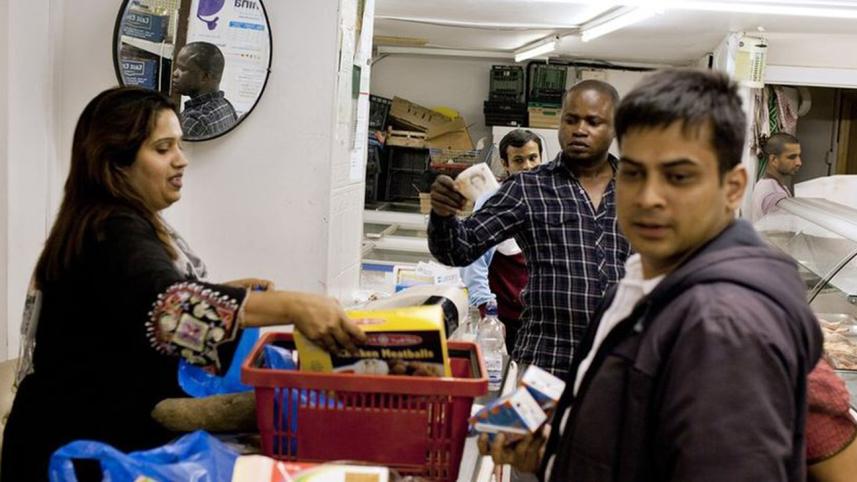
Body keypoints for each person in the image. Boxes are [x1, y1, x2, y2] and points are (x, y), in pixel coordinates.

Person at [1, 87, 364, 481]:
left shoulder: (108, 221)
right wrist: (297, 307)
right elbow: (167, 308)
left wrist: (221, 291)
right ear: (114, 162)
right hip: (78, 453)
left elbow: (131, 304)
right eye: (163, 149)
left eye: (179, 145)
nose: (181, 160)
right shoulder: (110, 229)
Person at [482, 69, 823, 482]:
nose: (647, 198)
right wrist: (558, 453)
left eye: (678, 176)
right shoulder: (639, 278)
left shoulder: (725, 324)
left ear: (733, 188)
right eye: (635, 173)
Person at [428, 80, 630, 378]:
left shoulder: (640, 189)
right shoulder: (528, 188)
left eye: (593, 121)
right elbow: (460, 248)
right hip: (546, 359)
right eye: (570, 120)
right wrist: (443, 215)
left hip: (621, 361)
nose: (579, 129)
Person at [460, 129, 543, 352]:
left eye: (533, 158)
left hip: (544, 316)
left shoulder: (550, 199)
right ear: (506, 164)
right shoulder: (494, 202)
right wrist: (488, 312)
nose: (527, 166)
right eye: (518, 160)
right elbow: (473, 261)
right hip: (510, 319)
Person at [171, 41, 238, 139]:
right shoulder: (226, 105)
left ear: (205, 77)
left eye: (182, 69)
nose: (175, 73)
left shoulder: (194, 122)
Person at [749, 132, 801, 223]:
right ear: (773, 159)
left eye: (799, 156)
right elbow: (782, 234)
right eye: (792, 157)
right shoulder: (773, 194)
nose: (799, 163)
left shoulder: (766, 183)